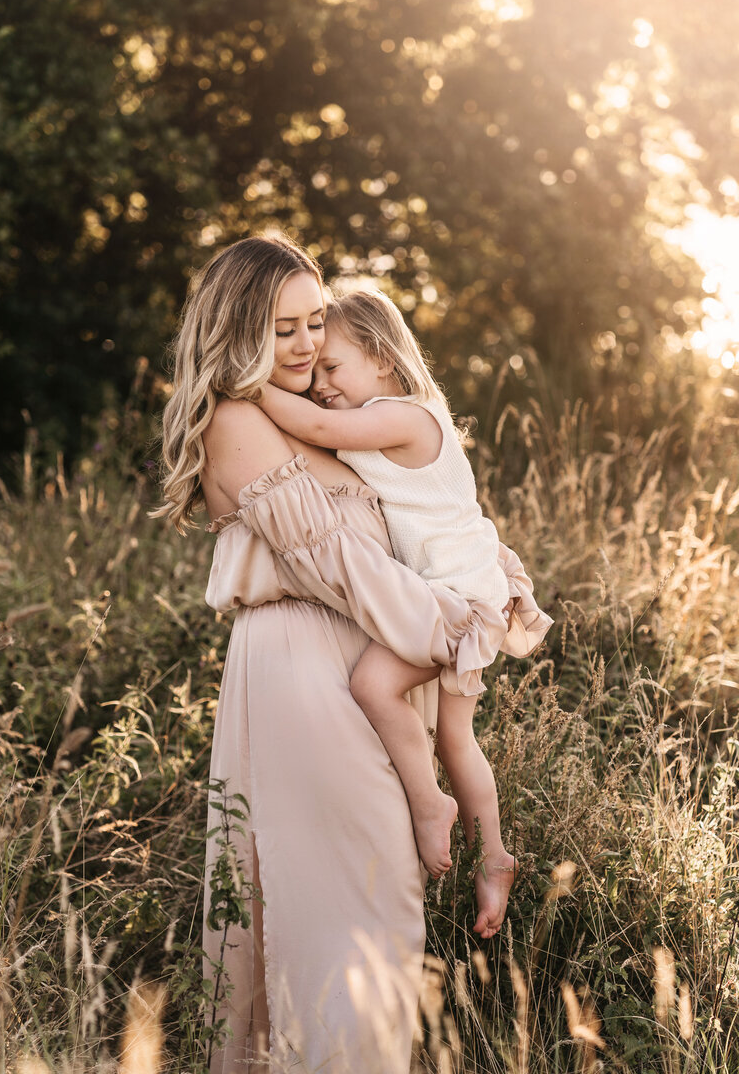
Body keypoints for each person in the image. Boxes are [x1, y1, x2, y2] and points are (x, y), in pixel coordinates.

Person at [154, 232, 551, 1073]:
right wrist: (456, 628)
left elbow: (420, 525)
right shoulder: (238, 420)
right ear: (239, 330)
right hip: (307, 671)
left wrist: (492, 580)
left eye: (313, 325)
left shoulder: (335, 423)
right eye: (283, 329)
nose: (303, 347)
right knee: (351, 914)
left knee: (370, 904)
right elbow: (345, 573)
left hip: (371, 666)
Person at [259, 287, 552, 933]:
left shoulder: (406, 416)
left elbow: (318, 430)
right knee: (455, 738)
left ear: (385, 359)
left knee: (372, 684)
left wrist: (242, 383)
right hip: (467, 592)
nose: (321, 386)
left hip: (461, 598)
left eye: (332, 369)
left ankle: (428, 805)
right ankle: (494, 860)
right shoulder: (388, 419)